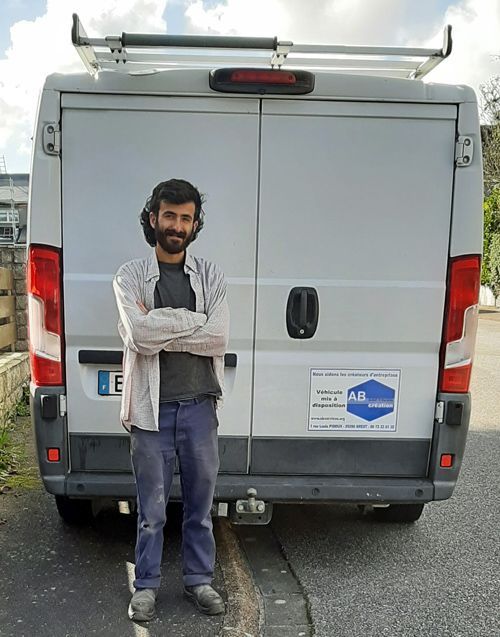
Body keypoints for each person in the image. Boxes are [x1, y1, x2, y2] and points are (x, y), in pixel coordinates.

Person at [112, 178, 229, 621]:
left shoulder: (211, 276)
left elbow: (218, 336)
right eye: (169, 216)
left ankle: (199, 581)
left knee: (200, 508)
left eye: (185, 218)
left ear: (195, 224)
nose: (176, 226)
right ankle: (145, 587)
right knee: (152, 510)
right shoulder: (129, 276)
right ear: (153, 218)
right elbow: (140, 336)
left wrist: (162, 323)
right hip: (151, 412)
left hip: (200, 407)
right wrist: (193, 321)